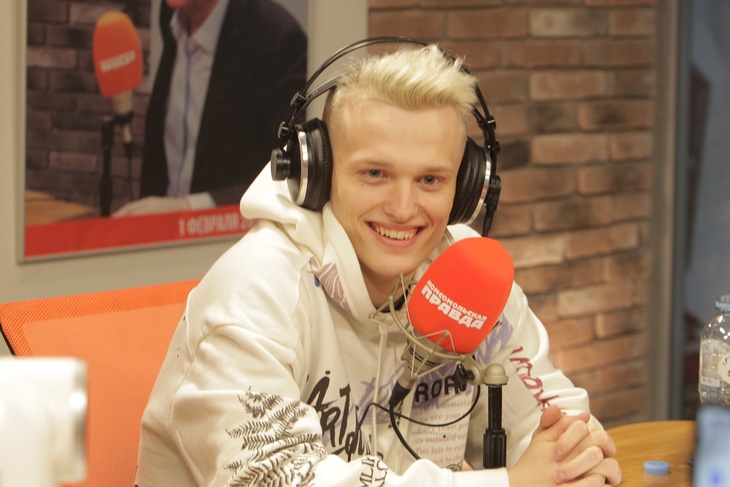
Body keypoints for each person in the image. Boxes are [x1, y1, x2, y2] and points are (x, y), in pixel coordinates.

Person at [135, 41, 622, 486]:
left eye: (430, 180)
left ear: (465, 188)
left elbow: (557, 428)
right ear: (319, 173)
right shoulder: (255, 290)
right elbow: (279, 479)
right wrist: (508, 484)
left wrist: (572, 463)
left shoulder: (466, 280)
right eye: (375, 173)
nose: (404, 209)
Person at [114, 0, 307, 216]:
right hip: (161, 230)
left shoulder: (276, 38)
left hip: (234, 232)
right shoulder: (171, 17)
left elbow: (286, 178)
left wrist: (188, 207)